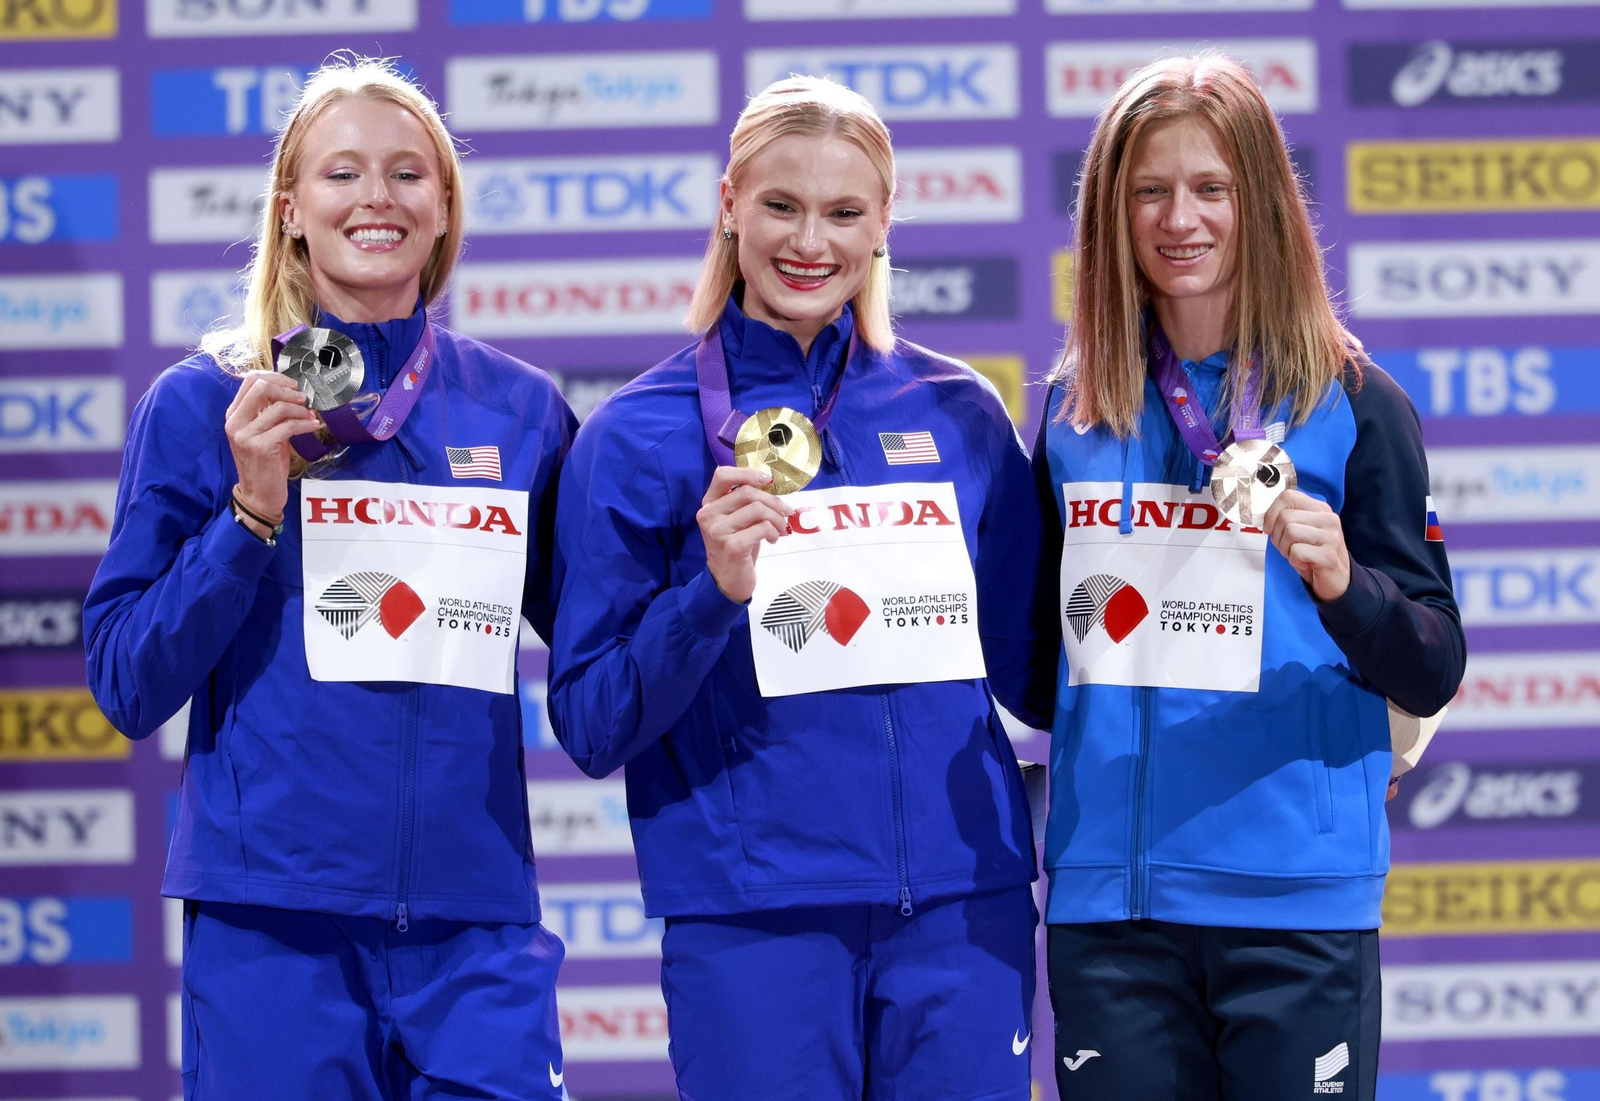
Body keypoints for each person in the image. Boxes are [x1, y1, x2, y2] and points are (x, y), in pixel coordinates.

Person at [547, 76, 1052, 1101]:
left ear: (883, 225)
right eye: (780, 206)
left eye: (843, 212)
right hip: (753, 922)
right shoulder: (634, 437)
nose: (808, 242)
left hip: (964, 912)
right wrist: (707, 597)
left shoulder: (961, 414)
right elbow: (591, 723)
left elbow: (1039, 675)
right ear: (729, 202)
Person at [83, 57, 575, 1101]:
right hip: (275, 928)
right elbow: (127, 683)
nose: (376, 199)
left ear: (444, 209)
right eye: (342, 174)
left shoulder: (520, 410)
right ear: (292, 209)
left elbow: (598, 660)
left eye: (407, 175)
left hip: (475, 922)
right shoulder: (203, 404)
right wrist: (248, 514)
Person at [1035, 55, 1465, 1101]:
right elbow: (1027, 650)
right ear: (1111, 211)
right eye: (1149, 189)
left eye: (1209, 188)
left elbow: (1433, 664)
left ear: (1260, 203)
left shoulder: (1354, 403)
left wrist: (1342, 585)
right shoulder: (1070, 410)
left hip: (1294, 905)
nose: (1178, 218)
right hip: (1112, 915)